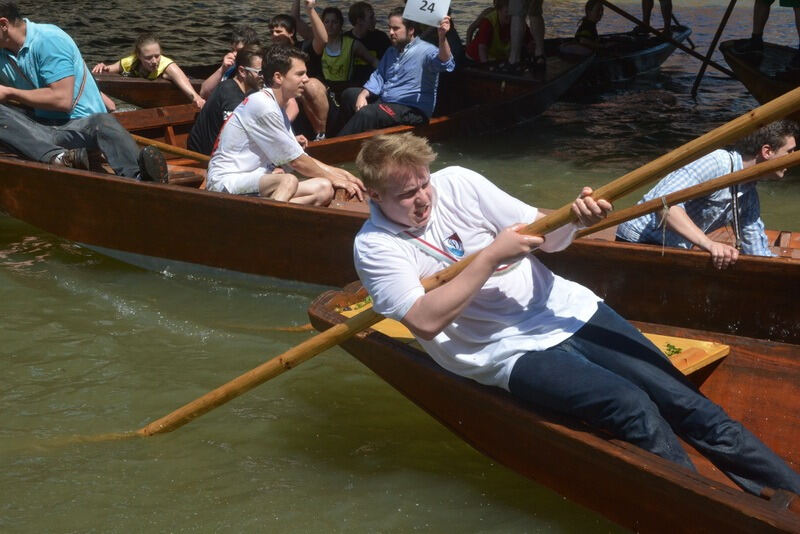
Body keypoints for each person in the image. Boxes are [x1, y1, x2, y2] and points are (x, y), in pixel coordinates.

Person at [353, 131, 800, 499]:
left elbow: (546, 236)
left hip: (566, 309)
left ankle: (789, 493)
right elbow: (424, 320)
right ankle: (706, 510)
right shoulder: (375, 246)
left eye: (424, 184)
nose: (423, 199)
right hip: (503, 350)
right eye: (407, 194)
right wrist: (489, 257)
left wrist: (575, 219)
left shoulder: (458, 183)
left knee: (685, 401)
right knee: (631, 407)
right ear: (374, 195)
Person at [0, 1, 168, 182]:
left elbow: (62, 100)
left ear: (3, 25)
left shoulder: (49, 40)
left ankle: (140, 177)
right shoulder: (3, 51)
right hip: (40, 128)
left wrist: (9, 93)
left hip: (79, 127)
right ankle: (59, 158)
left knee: (102, 122)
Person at [616, 120, 798, 270]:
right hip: (637, 241)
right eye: (789, 152)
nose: (792, 159)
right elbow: (665, 205)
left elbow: (756, 251)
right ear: (767, 152)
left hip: (671, 249)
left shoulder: (748, 194)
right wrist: (709, 244)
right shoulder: (717, 162)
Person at [206, 46, 364, 204]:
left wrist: (339, 174)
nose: (306, 79)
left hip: (254, 180)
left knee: (324, 188)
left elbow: (300, 156)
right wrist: (335, 178)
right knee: (288, 180)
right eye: (300, 74)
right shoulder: (263, 105)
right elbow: (296, 162)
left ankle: (264, 212)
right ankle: (270, 217)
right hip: (226, 182)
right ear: (278, 77)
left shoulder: (277, 107)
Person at [337, 9, 455, 137]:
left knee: (368, 113)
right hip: (387, 102)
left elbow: (446, 62)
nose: (391, 32)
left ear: (411, 30)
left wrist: (442, 37)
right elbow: (379, 76)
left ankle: (336, 145)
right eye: (390, 28)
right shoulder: (391, 51)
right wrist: (363, 94)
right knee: (349, 95)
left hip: (412, 110)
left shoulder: (426, 50)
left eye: (396, 28)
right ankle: (339, 136)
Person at [92, 33, 205, 109]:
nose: (154, 61)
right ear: (138, 56)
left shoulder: (168, 66)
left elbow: (187, 87)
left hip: (188, 81)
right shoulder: (130, 62)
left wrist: (197, 99)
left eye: (157, 56)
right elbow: (108, 69)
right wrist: (102, 67)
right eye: (148, 57)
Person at [187, 45, 264, 156]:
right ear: (242, 71)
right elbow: (233, 141)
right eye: (259, 72)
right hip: (203, 158)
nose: (264, 76)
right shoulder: (230, 96)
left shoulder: (248, 91)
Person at [273, 2, 330, 140]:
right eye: (271, 32)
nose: (274, 35)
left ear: (291, 33)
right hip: (288, 94)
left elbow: (323, 40)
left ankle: (321, 134)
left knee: (310, 84)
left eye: (279, 32)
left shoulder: (304, 48)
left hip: (312, 93)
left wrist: (310, 9)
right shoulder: (273, 54)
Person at [306, 6, 378, 94]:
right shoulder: (318, 44)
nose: (330, 25)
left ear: (340, 24)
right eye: (326, 22)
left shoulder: (352, 44)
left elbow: (373, 61)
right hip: (324, 89)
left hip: (345, 89)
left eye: (334, 22)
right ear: (322, 24)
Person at [198, 25, 261, 100]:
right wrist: (222, 69)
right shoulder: (230, 69)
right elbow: (204, 93)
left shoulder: (259, 73)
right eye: (232, 50)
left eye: (239, 51)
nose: (234, 54)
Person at [466, 0, 534, 63]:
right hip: (476, 57)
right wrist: (486, 66)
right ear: (498, 10)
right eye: (506, 12)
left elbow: (530, 40)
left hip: (496, 57)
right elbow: (482, 48)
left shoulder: (516, 21)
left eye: (511, 14)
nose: (509, 16)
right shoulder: (488, 21)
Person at [345, 1, 391, 85]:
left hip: (375, 85)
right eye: (371, 17)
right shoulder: (345, 39)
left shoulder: (381, 38)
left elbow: (389, 64)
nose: (375, 20)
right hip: (350, 85)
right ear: (359, 21)